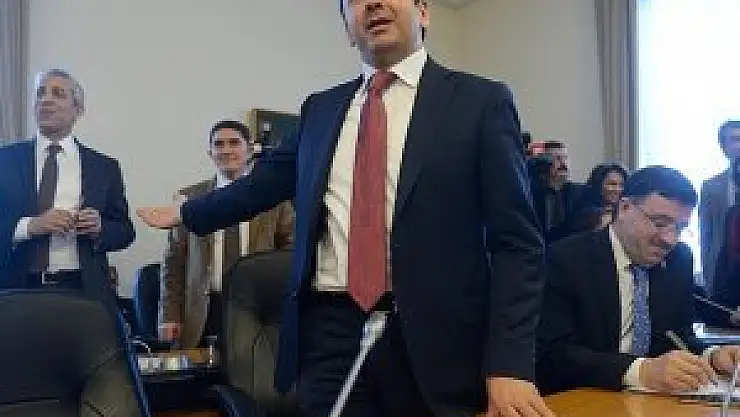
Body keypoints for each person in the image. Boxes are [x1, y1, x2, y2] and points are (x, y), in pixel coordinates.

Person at [138, 1, 552, 416]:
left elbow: (517, 244)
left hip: (437, 340)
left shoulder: (480, 102)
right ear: (347, 29)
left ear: (424, 12)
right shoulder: (320, 109)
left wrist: (510, 364)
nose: (373, 3)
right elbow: (261, 184)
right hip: (330, 335)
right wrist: (188, 213)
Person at [536, 166, 740, 394]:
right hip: (584, 396)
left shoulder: (679, 259)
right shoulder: (565, 259)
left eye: (680, 228)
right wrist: (640, 371)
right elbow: (553, 354)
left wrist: (712, 356)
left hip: (651, 401)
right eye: (660, 223)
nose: (670, 239)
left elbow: (677, 338)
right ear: (625, 208)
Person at [0, 69, 135, 306]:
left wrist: (99, 228)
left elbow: (125, 230)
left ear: (78, 109)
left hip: (83, 290)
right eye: (40, 93)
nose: (46, 100)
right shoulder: (5, 160)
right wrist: (29, 226)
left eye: (58, 93)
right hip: (17, 288)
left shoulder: (104, 167)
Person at [158, 120, 295, 348]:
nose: (226, 150)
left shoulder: (275, 199)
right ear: (210, 153)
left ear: (250, 149)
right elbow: (173, 263)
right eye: (218, 144)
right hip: (204, 311)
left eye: (234, 143)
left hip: (257, 309)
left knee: (252, 368)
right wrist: (169, 315)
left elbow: (290, 254)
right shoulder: (189, 199)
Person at [700, 120, 740, 296]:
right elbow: (706, 237)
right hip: (723, 271)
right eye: (735, 139)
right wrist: (708, 279)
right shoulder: (711, 187)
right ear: (724, 147)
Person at [560, 163, 628, 237]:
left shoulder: (625, 209)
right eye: (612, 184)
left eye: (621, 185)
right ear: (598, 185)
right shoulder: (585, 210)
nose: (618, 189)